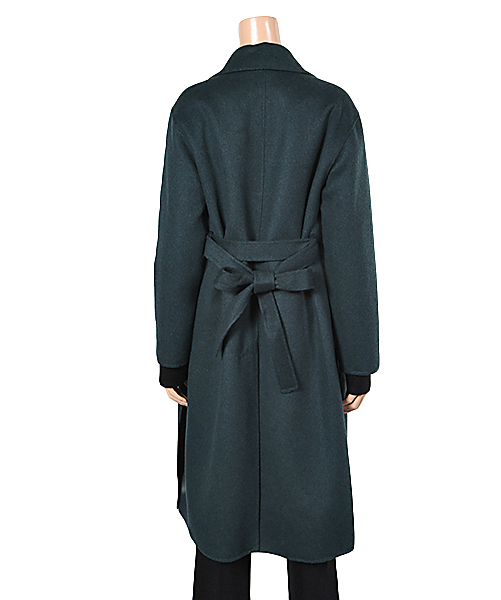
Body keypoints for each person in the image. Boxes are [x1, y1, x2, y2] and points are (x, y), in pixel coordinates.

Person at [155, 16, 379, 600]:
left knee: (221, 516)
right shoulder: (330, 108)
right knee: (311, 510)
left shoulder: (196, 109)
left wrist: (172, 356)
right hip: (308, 331)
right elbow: (351, 245)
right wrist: (359, 361)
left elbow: (177, 242)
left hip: (219, 331)